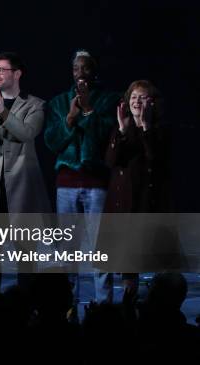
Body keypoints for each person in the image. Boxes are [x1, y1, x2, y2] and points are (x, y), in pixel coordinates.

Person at [0, 52, 51, 292]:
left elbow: (26, 133)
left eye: (2, 70)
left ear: (17, 73)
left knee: (26, 255)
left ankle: (26, 308)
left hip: (22, 188)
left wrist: (3, 112)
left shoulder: (35, 104)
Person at [44, 50, 119, 304]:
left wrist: (87, 110)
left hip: (96, 183)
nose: (80, 74)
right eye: (76, 69)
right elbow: (51, 141)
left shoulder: (108, 100)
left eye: (85, 68)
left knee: (100, 249)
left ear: (94, 72)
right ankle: (67, 308)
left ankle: (104, 308)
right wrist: (69, 119)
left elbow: (107, 136)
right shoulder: (58, 102)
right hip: (66, 183)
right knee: (68, 251)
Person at [100, 80, 171, 300]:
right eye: (133, 97)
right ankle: (123, 311)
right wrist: (122, 130)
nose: (136, 102)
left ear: (152, 102)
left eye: (141, 97)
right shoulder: (123, 128)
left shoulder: (159, 129)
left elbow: (155, 159)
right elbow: (111, 161)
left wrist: (146, 127)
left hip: (147, 203)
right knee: (126, 268)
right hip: (122, 205)